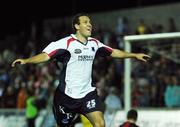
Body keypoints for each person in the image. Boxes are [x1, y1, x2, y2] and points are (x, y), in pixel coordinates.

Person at [12, 13, 150, 127]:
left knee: (100, 123)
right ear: (77, 26)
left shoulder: (94, 43)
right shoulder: (65, 43)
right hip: (66, 97)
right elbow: (45, 56)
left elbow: (113, 52)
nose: (89, 24)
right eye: (85, 22)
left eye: (90, 22)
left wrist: (134, 55)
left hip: (87, 94)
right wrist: (26, 60)